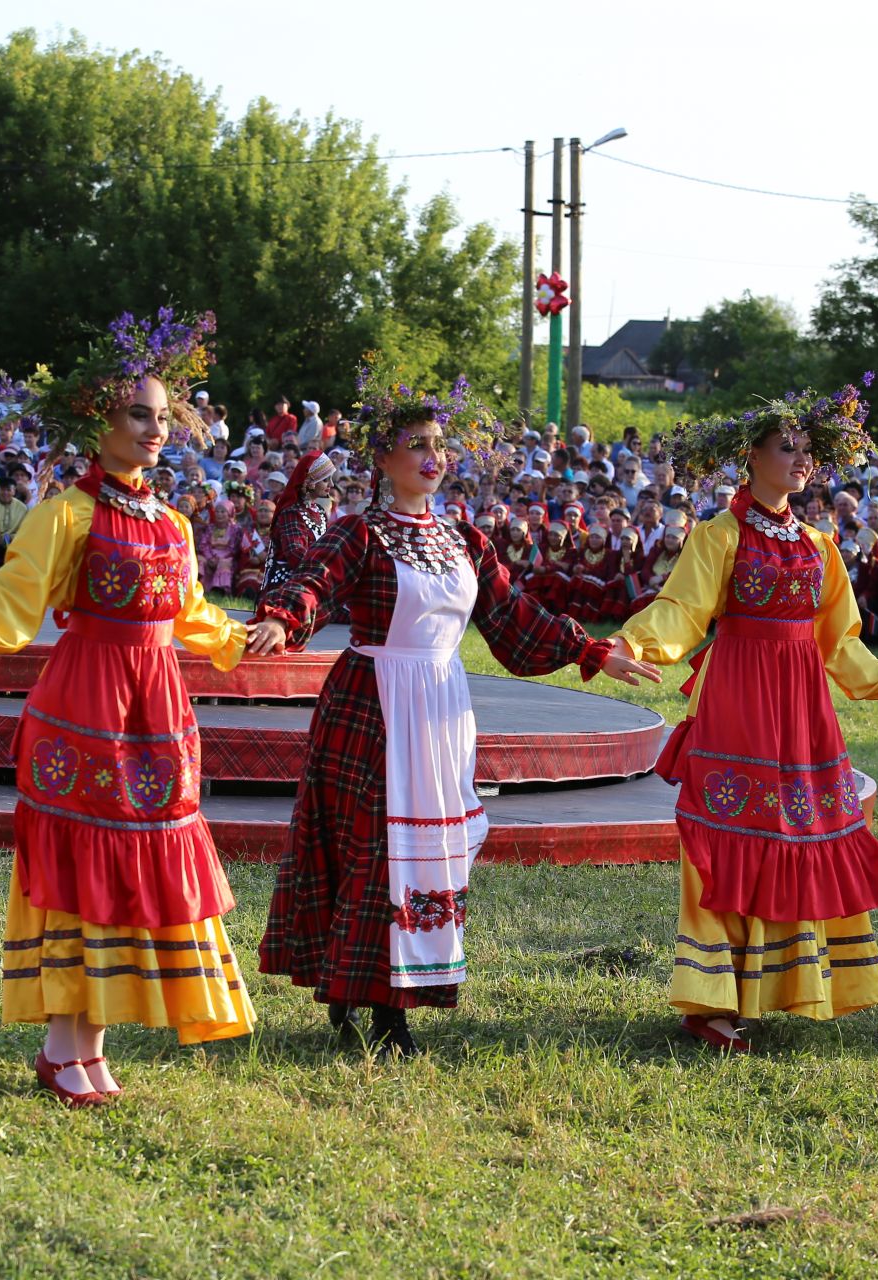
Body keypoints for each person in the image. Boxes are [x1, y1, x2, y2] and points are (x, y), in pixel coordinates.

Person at [0, 310, 255, 1107]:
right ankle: (63, 1045)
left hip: (157, 706)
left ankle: (88, 1045)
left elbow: (186, 610)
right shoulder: (67, 515)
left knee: (135, 864)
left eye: (161, 415)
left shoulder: (176, 523)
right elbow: (10, 599)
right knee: (86, 864)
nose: (155, 429)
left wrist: (238, 638)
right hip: (88, 699)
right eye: (137, 414)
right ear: (99, 422)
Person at [249, 356, 657, 1057]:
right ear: (383, 457)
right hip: (372, 705)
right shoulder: (361, 531)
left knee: (430, 853)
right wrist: (285, 617)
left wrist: (592, 651)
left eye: (440, 444)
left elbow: (514, 618)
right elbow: (317, 580)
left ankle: (387, 993)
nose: (433, 457)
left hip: (439, 708)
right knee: (374, 853)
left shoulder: (465, 538)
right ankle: (377, 1006)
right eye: (418, 444)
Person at [607, 377, 878, 1051]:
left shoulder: (819, 544)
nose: (802, 462)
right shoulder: (718, 536)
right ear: (751, 456)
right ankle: (713, 1001)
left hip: (801, 710)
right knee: (725, 839)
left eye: (808, 451)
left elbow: (841, 643)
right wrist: (629, 641)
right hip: (739, 701)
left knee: (792, 839)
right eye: (788, 448)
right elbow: (682, 611)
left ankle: (774, 989)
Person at [263, 451, 337, 594]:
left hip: (314, 579)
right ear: (309, 482)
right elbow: (296, 554)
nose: (332, 484)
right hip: (289, 586)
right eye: (325, 479)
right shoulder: (292, 513)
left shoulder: (320, 511)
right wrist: (326, 574)